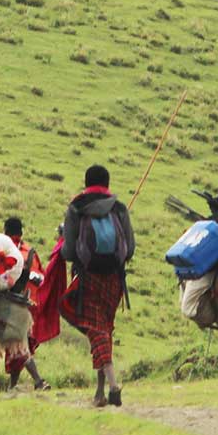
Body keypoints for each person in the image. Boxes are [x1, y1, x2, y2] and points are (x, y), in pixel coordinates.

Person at [60, 165, 135, 407]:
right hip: (114, 280)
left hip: (89, 278)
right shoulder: (119, 207)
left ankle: (113, 385)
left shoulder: (76, 208)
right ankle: (99, 392)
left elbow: (69, 251)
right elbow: (130, 249)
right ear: (108, 182)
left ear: (86, 181)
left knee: (96, 329)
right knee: (104, 329)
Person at [2, 217, 54, 391]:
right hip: (34, 306)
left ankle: (39, 382)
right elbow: (43, 276)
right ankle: (13, 386)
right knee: (19, 347)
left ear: (5, 232)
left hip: (15, 306)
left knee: (18, 345)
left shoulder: (4, 251)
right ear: (21, 233)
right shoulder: (30, 252)